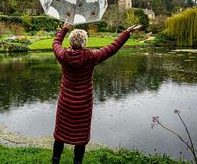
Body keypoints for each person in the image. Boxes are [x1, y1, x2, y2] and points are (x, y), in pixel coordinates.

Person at [51, 22, 142, 164]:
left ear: (70, 42)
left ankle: (55, 161)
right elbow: (112, 48)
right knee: (80, 136)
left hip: (66, 102)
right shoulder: (91, 56)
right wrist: (126, 33)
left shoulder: (63, 55)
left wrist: (64, 29)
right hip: (83, 104)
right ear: (85, 42)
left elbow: (55, 43)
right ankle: (77, 162)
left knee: (60, 133)